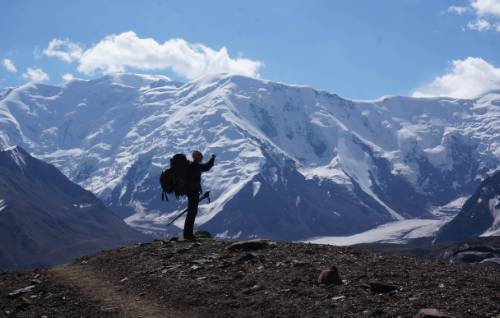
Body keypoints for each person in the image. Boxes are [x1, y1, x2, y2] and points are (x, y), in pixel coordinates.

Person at [183, 150, 215, 240]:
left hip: (191, 192)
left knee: (191, 212)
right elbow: (207, 167)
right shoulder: (195, 166)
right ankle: (188, 235)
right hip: (193, 192)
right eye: (200, 157)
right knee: (192, 213)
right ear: (197, 157)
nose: (201, 158)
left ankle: (187, 234)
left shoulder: (191, 166)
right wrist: (212, 158)